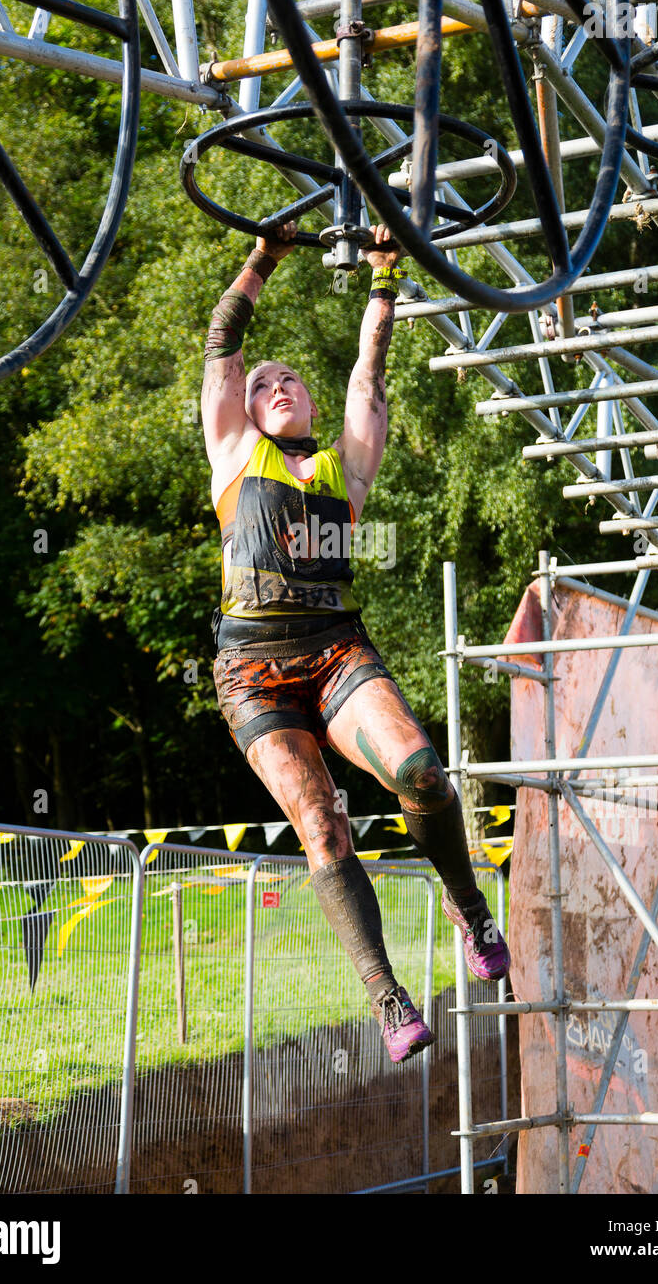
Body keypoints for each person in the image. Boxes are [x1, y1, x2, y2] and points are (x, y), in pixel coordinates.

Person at [202, 218, 510, 1063]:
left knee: (421, 772)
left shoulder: (345, 466)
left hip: (337, 651)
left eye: (291, 379)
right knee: (321, 822)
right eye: (265, 384)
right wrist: (264, 255)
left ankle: (467, 903)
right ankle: (385, 994)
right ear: (245, 407)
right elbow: (225, 341)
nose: (278, 386)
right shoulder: (232, 454)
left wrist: (383, 277)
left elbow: (369, 373)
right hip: (255, 675)